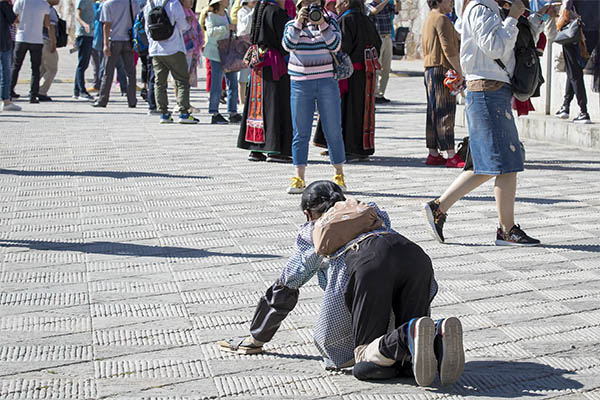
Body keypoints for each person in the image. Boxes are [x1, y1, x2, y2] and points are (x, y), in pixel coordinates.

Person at [216, 180, 465, 386]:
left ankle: (409, 334)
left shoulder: (314, 230)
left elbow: (289, 282)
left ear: (307, 213)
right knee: (407, 363)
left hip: (370, 264)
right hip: (415, 257)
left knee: (364, 363)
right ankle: (435, 333)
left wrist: (257, 337)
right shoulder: (370, 210)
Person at [423, 0, 549, 247]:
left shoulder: (490, 8)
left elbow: (510, 44)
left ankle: (439, 208)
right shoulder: (481, 8)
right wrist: (512, 17)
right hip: (486, 91)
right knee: (507, 161)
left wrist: (537, 19)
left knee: (488, 162)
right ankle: (507, 230)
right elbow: (495, 47)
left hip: (494, 91)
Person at [282, 0, 346, 194]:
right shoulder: (291, 25)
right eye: (306, 4)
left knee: (333, 129)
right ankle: (299, 177)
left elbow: (335, 45)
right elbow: (288, 45)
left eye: (314, 3)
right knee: (300, 131)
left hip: (327, 81)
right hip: (300, 83)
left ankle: (339, 175)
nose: (311, 8)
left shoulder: (331, 22)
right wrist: (298, 23)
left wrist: (322, 24)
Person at [313, 0, 381, 162]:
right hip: (365, 73)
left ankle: (349, 147)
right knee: (360, 110)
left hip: (348, 74)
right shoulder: (366, 19)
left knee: (347, 110)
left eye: (338, 1)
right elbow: (377, 44)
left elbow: (340, 47)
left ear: (346, 2)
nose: (335, 5)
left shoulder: (346, 20)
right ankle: (360, 147)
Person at [237, 0, 293, 163]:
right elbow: (284, 43)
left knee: (258, 104)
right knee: (275, 104)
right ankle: (275, 149)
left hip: (259, 60)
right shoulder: (277, 13)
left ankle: (256, 149)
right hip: (275, 63)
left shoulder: (259, 9)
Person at [421, 0, 464, 168]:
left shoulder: (429, 18)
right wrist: (459, 71)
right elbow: (449, 49)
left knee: (433, 111)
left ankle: (433, 152)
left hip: (430, 68)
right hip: (442, 68)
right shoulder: (442, 19)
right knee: (446, 110)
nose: (452, 3)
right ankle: (451, 154)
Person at [144, 0, 199, 123]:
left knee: (160, 82)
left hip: (156, 49)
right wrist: (188, 22)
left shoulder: (149, 4)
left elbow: (147, 28)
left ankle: (164, 113)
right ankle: (184, 113)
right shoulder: (174, 4)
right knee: (182, 80)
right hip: (174, 47)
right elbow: (183, 26)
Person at [554, 0, 596, 124]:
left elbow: (567, 5)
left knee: (574, 71)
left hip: (575, 31)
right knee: (574, 69)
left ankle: (583, 111)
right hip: (593, 32)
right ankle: (565, 106)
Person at [93, 0, 140, 108]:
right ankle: (132, 100)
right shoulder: (133, 3)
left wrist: (105, 45)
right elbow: (137, 21)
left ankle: (102, 99)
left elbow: (106, 25)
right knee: (131, 72)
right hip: (129, 40)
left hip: (114, 40)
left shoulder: (108, 4)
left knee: (108, 72)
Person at [204, 0, 241, 124]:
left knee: (233, 83)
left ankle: (233, 111)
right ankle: (214, 112)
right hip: (215, 53)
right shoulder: (210, 16)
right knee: (217, 84)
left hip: (228, 52)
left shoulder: (226, 13)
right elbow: (210, 33)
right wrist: (225, 28)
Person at [10, 0, 53, 103]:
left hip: (21, 37)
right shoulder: (44, 4)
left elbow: (14, 19)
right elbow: (47, 23)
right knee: (35, 68)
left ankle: (9, 92)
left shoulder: (20, 1)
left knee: (16, 66)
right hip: (37, 39)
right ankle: (33, 95)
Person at [366, 0, 398, 104]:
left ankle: (381, 94)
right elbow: (374, 11)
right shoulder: (369, 5)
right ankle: (374, 93)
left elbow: (397, 9)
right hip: (377, 38)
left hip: (388, 37)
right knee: (376, 67)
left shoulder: (388, 6)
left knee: (386, 68)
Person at [0, 0, 20, 111]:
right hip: (3, 43)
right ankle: (6, 101)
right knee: (5, 73)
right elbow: (14, 19)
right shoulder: (3, 4)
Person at [73, 0, 95, 100]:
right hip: (84, 34)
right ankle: (82, 91)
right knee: (82, 64)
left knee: (83, 64)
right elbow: (77, 15)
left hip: (89, 34)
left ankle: (77, 91)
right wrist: (84, 25)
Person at [37, 0, 59, 101]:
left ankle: (34, 89)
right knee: (52, 68)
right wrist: (53, 42)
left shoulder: (39, 7)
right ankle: (41, 91)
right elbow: (51, 26)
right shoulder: (48, 9)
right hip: (47, 40)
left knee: (42, 68)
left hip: (38, 40)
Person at [236, 0, 254, 105]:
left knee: (251, 73)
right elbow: (245, 26)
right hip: (243, 44)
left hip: (251, 43)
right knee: (243, 74)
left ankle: (248, 99)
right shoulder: (242, 12)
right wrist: (253, 12)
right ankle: (242, 101)